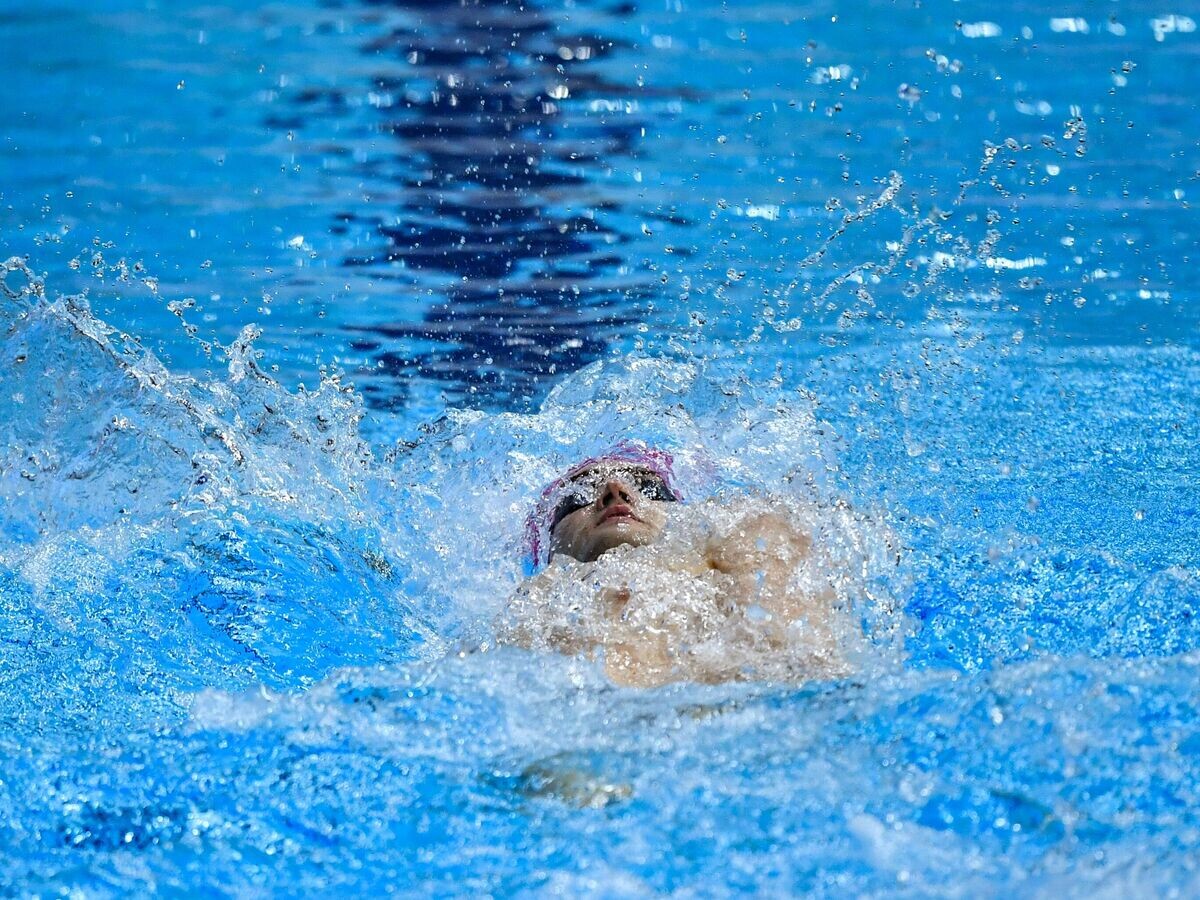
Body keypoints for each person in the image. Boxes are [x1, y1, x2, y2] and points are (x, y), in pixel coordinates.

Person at [498, 442, 859, 687]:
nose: (614, 490)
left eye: (650, 488)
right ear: (548, 547)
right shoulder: (539, 605)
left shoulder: (738, 563)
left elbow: (805, 662)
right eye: (577, 496)